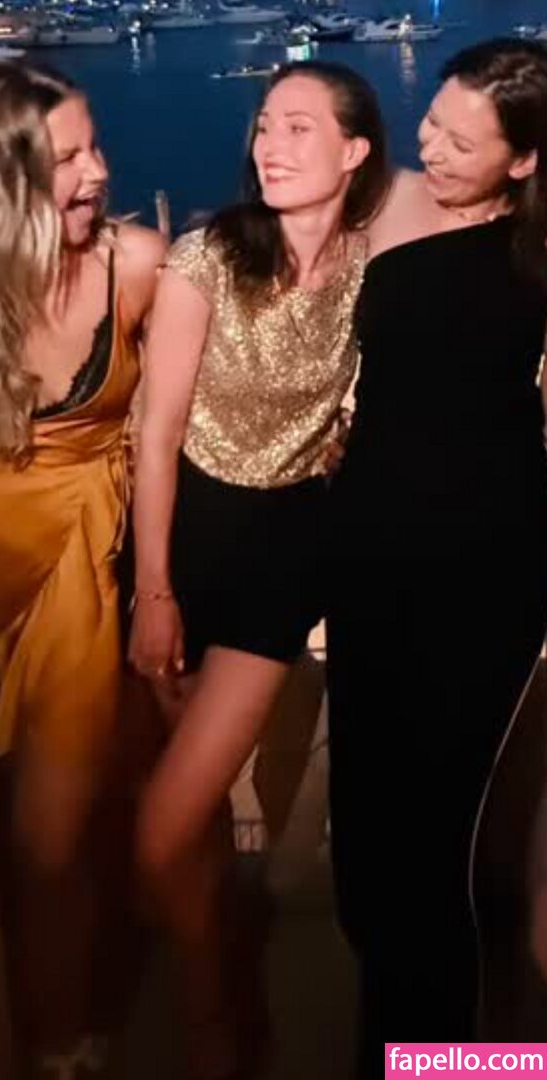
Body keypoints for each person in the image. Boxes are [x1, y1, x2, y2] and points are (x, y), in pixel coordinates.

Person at [129, 60, 389, 1080]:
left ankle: (213, 1031)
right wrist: (153, 592)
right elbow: (156, 436)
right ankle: (227, 1005)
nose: (268, 147)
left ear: (355, 150)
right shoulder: (208, 257)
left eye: (297, 127)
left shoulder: (374, 262)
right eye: (263, 126)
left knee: (161, 831)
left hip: (284, 552)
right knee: (188, 825)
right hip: (181, 539)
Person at [325, 37, 547, 1072]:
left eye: (463, 141)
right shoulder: (387, 206)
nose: (432, 146)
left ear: (524, 160)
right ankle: (388, 1049)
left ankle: (450, 1062)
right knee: (369, 838)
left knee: (444, 848)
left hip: (485, 567)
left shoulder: (531, 255)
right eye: (430, 124)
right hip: (372, 554)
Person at [0, 62, 165, 1078]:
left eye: (96, 145)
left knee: (53, 839)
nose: (99, 171)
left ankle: (56, 1041)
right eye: (66, 157)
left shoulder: (140, 265)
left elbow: (181, 428)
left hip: (80, 566)